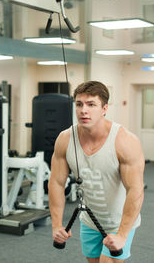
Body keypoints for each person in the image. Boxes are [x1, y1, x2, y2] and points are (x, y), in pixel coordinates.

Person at [49, 81, 144, 263]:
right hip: (89, 220)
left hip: (119, 222)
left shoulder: (124, 141)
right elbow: (56, 182)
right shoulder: (65, 139)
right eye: (79, 104)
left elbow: (136, 190)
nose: (84, 110)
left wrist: (122, 235)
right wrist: (56, 225)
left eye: (91, 104)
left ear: (104, 108)